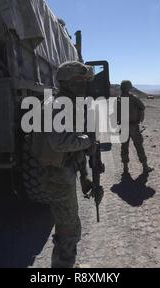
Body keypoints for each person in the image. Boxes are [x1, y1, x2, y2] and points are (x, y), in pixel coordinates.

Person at [32, 61, 94, 268]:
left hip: (62, 174)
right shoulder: (58, 105)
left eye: (85, 81)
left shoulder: (68, 104)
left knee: (68, 226)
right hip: (56, 175)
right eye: (79, 80)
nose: (84, 85)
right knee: (69, 230)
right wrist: (88, 140)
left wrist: (84, 174)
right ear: (66, 82)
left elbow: (72, 144)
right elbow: (60, 143)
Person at [119, 80, 152, 175]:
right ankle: (145, 167)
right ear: (129, 87)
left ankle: (125, 169)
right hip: (133, 126)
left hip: (123, 126)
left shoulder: (118, 99)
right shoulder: (133, 98)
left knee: (124, 148)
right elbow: (142, 107)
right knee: (139, 146)